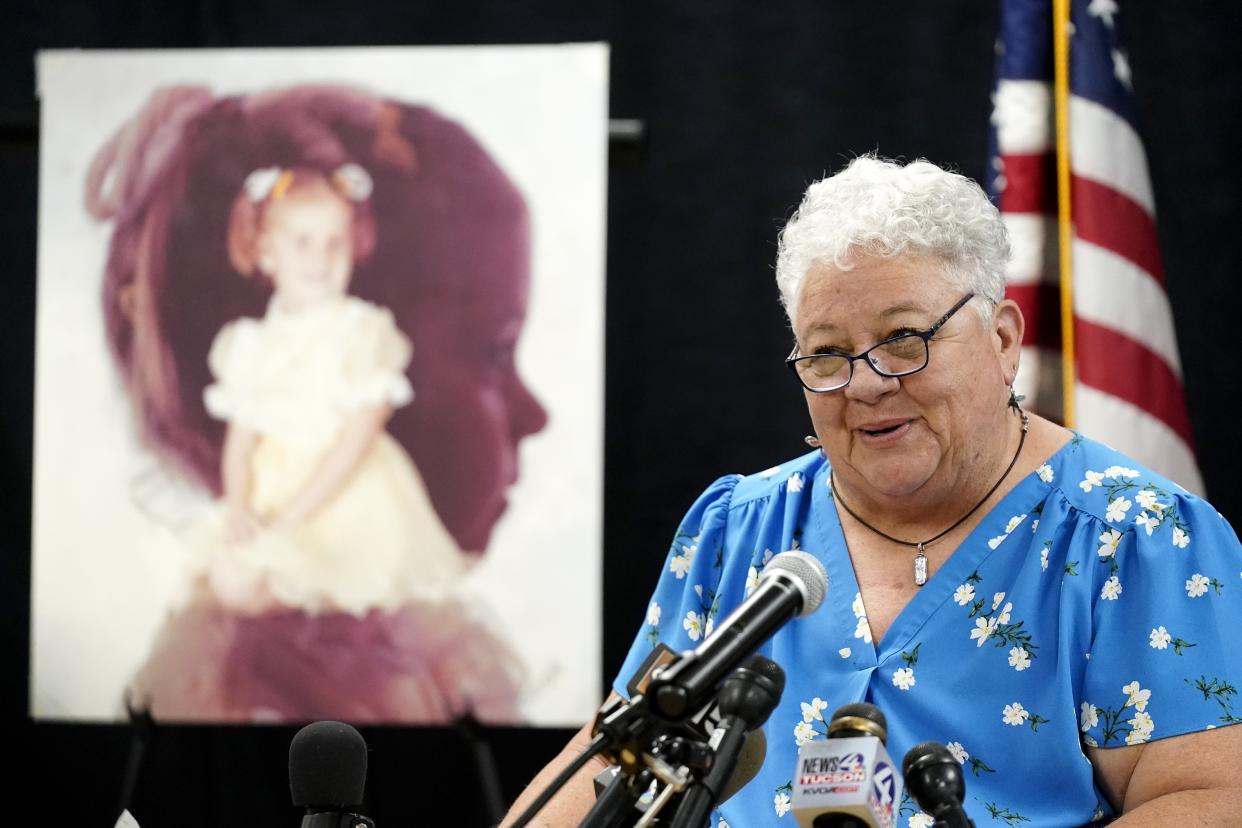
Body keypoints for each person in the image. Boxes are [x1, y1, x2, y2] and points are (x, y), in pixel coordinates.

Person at [504, 156, 1242, 825]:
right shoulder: (739, 531)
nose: (864, 384)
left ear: (1004, 339)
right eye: (826, 353)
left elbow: (1208, 797)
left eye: (903, 339)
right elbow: (616, 763)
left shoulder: (1134, 536)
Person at [88, 84, 548, 723]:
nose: (320, 260)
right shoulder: (251, 344)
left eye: (333, 242)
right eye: (301, 242)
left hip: (347, 498)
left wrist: (295, 515)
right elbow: (244, 436)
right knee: (231, 582)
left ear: (355, 242)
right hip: (276, 495)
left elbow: (357, 436)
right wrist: (245, 508)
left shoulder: (363, 332)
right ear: (262, 250)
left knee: (357, 600)